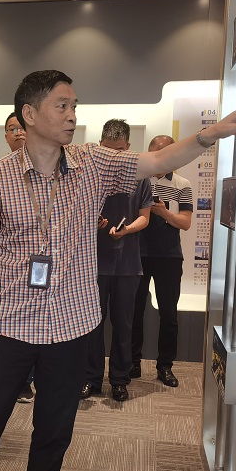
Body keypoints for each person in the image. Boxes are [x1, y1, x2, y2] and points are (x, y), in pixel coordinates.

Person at [0, 70, 236, 471]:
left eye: (75, 105)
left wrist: (211, 134)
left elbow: (158, 160)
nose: (72, 116)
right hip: (8, 324)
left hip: (72, 325)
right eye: (62, 106)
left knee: (55, 431)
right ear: (29, 114)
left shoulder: (93, 163)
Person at [82, 119, 152, 403]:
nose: (113, 156)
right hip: (93, 262)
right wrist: (93, 222)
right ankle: (91, 378)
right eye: (108, 150)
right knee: (92, 324)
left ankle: (120, 380)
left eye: (120, 151)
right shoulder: (89, 174)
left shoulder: (140, 176)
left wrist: (127, 229)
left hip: (128, 264)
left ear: (129, 147)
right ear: (100, 146)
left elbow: (145, 217)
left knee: (124, 324)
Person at [130, 134, 193, 388]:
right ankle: (132, 361)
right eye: (160, 153)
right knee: (134, 312)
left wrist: (165, 213)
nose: (165, 158)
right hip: (137, 254)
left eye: (170, 152)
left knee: (169, 314)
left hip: (169, 256)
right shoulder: (138, 180)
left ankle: (165, 365)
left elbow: (186, 223)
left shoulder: (182, 183)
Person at [4, 112, 35, 404]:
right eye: (12, 129)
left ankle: (28, 382)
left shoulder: (51, 173)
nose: (18, 133)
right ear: (5, 136)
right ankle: (14, 381)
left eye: (21, 127)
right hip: (9, 270)